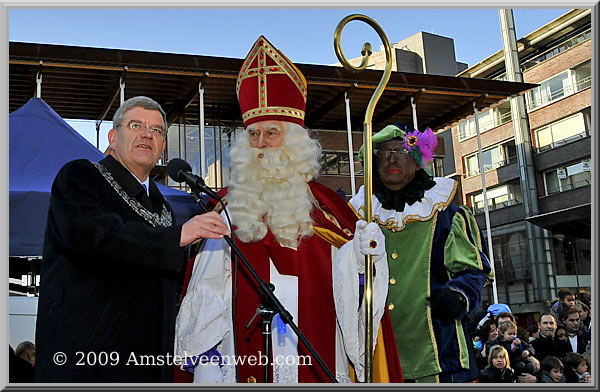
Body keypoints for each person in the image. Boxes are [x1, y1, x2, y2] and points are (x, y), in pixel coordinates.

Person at [174, 36, 392, 383]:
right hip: (241, 359)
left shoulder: (331, 210)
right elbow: (205, 292)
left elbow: (357, 295)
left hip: (318, 355)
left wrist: (364, 256)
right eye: (253, 135)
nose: (260, 144)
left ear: (293, 139)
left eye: (271, 133)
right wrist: (207, 364)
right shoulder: (227, 206)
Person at [34, 96, 230, 383]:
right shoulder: (80, 176)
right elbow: (96, 237)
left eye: (157, 130)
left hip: (150, 363)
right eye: (136, 125)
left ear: (163, 147)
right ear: (113, 137)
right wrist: (179, 236)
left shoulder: (162, 205)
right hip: (88, 362)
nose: (147, 134)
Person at [337, 122, 493, 382]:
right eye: (384, 153)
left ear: (419, 159)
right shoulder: (357, 216)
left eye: (401, 151)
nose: (391, 159)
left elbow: (473, 270)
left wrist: (458, 295)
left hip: (437, 350)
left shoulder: (445, 213)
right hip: (375, 348)